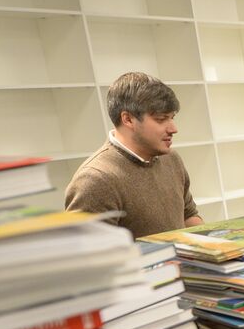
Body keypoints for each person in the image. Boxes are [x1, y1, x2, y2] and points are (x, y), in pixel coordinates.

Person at [65, 72, 202, 238]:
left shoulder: (171, 158)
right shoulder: (95, 180)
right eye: (161, 119)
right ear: (128, 119)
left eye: (172, 118)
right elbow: (89, 256)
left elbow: (188, 215)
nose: (173, 128)